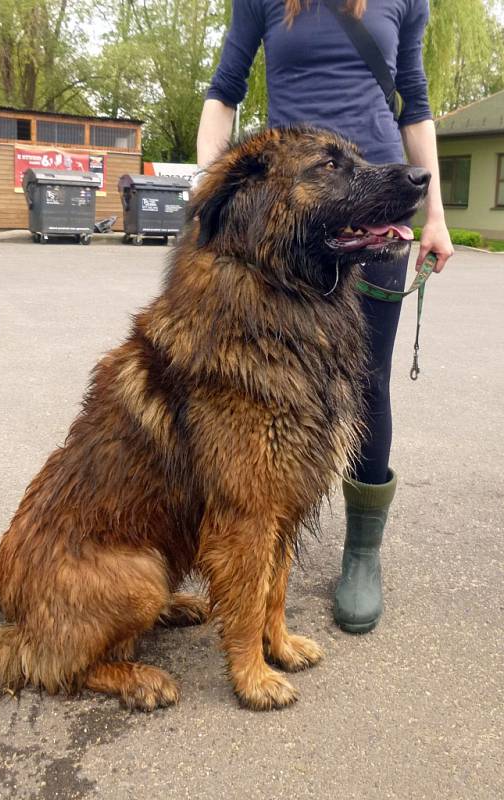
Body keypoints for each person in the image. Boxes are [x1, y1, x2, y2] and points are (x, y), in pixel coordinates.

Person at [196, 0, 454, 633]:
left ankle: (361, 554)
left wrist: (437, 216)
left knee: (367, 384)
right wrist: (212, 184)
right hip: (293, 216)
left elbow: (413, 104)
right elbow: (224, 91)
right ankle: (255, 530)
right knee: (268, 384)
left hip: (379, 196)